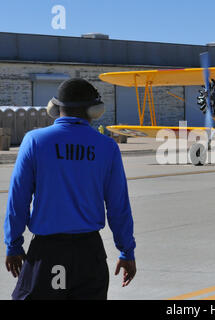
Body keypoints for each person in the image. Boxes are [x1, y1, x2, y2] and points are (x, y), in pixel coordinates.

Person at [4, 78, 136, 300]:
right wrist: (126, 251)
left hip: (47, 252)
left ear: (54, 107)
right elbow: (118, 206)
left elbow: (18, 198)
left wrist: (14, 245)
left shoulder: (34, 141)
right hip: (90, 254)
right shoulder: (107, 147)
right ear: (95, 110)